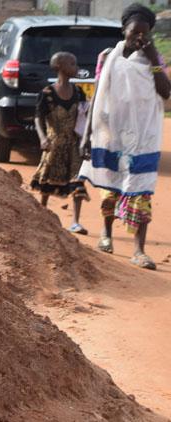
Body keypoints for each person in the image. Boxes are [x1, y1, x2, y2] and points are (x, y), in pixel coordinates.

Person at [78, 3, 171, 270]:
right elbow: (97, 95)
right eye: (134, 33)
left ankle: (139, 250)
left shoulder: (154, 58)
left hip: (143, 136)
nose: (139, 38)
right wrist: (87, 136)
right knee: (110, 189)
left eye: (145, 33)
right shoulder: (108, 57)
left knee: (141, 191)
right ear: (124, 31)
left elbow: (166, 93)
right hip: (111, 134)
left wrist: (153, 58)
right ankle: (107, 234)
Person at [31, 52, 90, 234]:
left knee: (77, 180)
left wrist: (85, 140)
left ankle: (76, 221)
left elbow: (84, 114)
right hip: (54, 143)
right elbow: (38, 118)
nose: (76, 66)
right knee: (47, 180)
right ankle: (42, 215)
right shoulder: (47, 94)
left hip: (73, 143)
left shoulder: (78, 92)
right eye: (72, 63)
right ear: (60, 67)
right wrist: (42, 138)